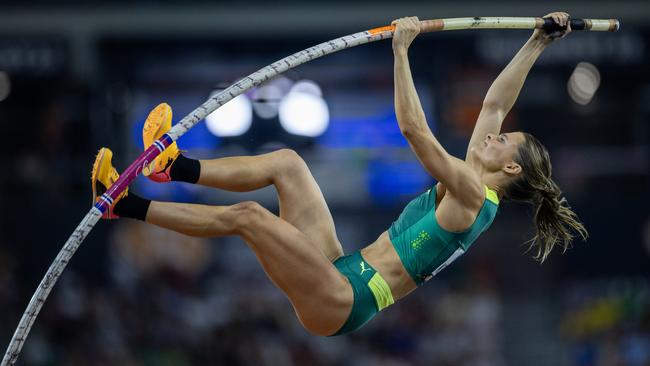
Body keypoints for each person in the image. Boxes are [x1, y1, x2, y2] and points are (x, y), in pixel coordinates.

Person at [91, 12, 587, 337]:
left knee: (249, 217)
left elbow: (413, 130)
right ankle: (170, 166)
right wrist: (538, 41)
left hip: (343, 300)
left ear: (511, 167)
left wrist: (401, 50)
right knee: (287, 163)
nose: (494, 134)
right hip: (342, 267)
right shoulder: (476, 176)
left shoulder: (472, 194)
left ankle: (124, 205)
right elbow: (498, 101)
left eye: (503, 141)